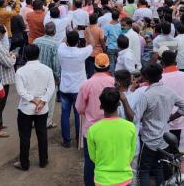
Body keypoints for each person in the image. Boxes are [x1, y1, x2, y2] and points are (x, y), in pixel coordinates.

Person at [137, 63, 184, 186]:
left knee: (144, 171)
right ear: (161, 76)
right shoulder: (169, 92)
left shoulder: (146, 96)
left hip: (148, 139)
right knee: (159, 167)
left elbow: (136, 117)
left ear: (146, 78)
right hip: (164, 138)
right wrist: (170, 118)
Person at [75, 53, 115, 186]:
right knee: (109, 159)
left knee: (90, 162)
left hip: (91, 130)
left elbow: (79, 108)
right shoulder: (113, 82)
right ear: (108, 66)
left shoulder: (86, 84)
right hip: (111, 128)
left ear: (94, 67)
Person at [13, 44, 55, 171]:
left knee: (25, 136)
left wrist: (34, 101)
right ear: (39, 54)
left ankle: (24, 163)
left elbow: (21, 91)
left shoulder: (20, 71)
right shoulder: (47, 70)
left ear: (25, 55)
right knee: (42, 134)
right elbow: (51, 88)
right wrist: (42, 102)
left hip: (26, 108)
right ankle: (43, 160)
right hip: (42, 108)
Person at [87, 87, 137, 186]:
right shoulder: (130, 127)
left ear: (101, 106)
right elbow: (131, 153)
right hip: (124, 178)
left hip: (102, 179)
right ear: (119, 104)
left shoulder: (93, 129)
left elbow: (93, 157)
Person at [58, 30, 93, 148]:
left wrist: (67, 38)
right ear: (78, 41)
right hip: (78, 88)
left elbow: (62, 41)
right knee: (78, 114)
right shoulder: (81, 52)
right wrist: (87, 35)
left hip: (64, 87)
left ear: (67, 41)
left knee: (65, 114)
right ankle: (79, 140)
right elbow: (91, 45)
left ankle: (66, 140)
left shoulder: (61, 50)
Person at [115, 70, 148, 181]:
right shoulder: (139, 95)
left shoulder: (114, 99)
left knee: (118, 173)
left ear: (117, 83)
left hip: (118, 142)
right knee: (132, 173)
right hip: (134, 143)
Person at [160, 50, 184, 142]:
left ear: (162, 63)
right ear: (175, 62)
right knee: (176, 150)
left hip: (163, 122)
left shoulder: (160, 79)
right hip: (180, 120)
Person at [0, 25, 17, 137]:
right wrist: (14, 56)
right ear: (0, 34)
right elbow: (9, 63)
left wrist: (9, 55)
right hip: (1, 79)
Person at [34, 22, 61, 128]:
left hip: (35, 72)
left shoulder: (37, 41)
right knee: (49, 98)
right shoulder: (55, 44)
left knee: (36, 96)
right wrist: (57, 76)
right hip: (49, 75)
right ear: (54, 31)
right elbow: (55, 63)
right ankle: (47, 122)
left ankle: (34, 120)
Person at [85, 13, 106, 78]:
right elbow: (102, 41)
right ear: (96, 20)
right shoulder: (99, 29)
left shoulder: (86, 29)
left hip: (89, 52)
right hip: (98, 53)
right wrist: (104, 50)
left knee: (90, 72)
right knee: (99, 72)